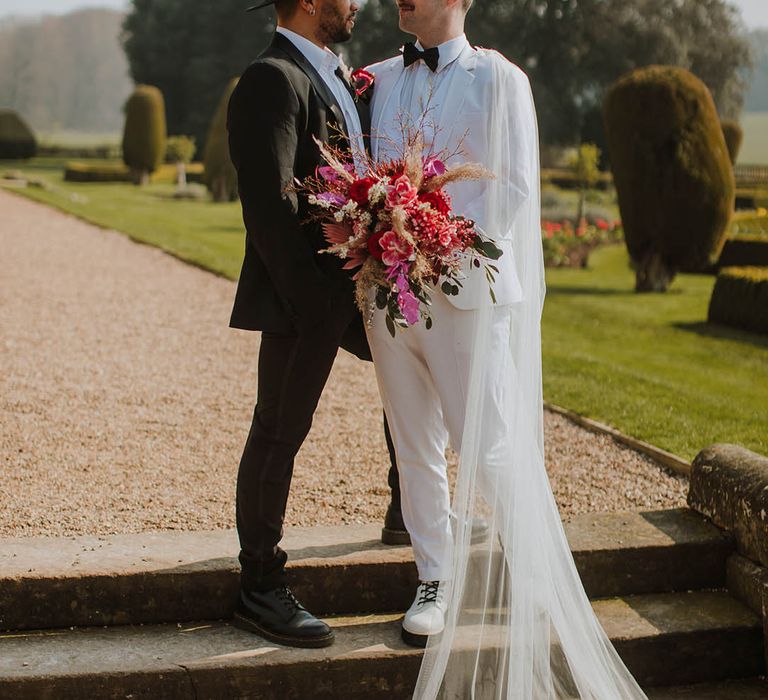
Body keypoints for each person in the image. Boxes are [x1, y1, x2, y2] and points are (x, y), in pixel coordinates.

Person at [366, 0, 650, 697]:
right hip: (385, 296)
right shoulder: (372, 79)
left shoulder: (501, 80)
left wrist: (434, 245)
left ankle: (538, 572)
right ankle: (434, 578)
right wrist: (383, 243)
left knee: (486, 444)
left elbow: (514, 188)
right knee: (414, 445)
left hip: (465, 297)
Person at [227, 0, 406, 649]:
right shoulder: (271, 79)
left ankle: (406, 506)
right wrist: (311, 310)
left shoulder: (338, 76)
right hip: (303, 299)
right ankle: (260, 586)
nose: (356, 3)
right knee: (279, 430)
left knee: (416, 370)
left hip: (361, 286)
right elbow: (269, 206)